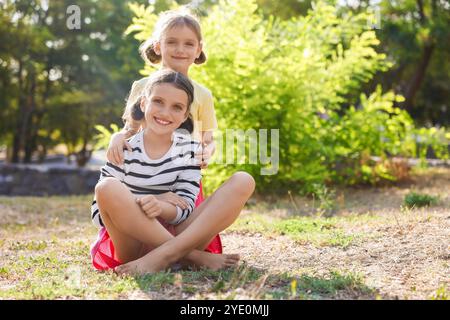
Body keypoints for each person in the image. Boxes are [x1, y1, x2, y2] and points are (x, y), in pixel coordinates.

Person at [91, 69, 255, 275]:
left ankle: (165, 256)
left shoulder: (189, 151)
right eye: (158, 101)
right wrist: (152, 199)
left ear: (185, 115)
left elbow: (185, 209)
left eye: (176, 107)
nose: (165, 112)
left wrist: (161, 207)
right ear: (143, 104)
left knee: (243, 180)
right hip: (132, 245)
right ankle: (191, 257)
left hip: (179, 233)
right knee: (106, 187)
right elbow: (99, 214)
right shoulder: (122, 149)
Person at [105, 9, 222, 258]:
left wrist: (205, 151)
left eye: (188, 43)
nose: (180, 49)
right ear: (158, 46)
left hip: (182, 176)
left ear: (199, 49)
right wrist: (117, 137)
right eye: (172, 42)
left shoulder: (202, 94)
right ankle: (175, 253)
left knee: (182, 217)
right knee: (139, 211)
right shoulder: (142, 87)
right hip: (145, 176)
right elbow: (130, 129)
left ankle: (175, 250)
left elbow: (207, 139)